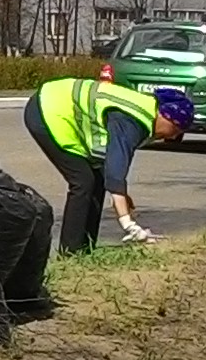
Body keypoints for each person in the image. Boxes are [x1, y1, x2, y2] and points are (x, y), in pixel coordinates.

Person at [22, 77, 191, 254]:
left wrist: (121, 194)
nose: (172, 137)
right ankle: (70, 252)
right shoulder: (133, 123)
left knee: (96, 179)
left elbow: (110, 170)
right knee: (83, 181)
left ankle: (85, 248)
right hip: (47, 110)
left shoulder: (145, 110)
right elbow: (116, 173)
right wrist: (129, 225)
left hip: (57, 102)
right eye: (176, 130)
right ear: (166, 117)